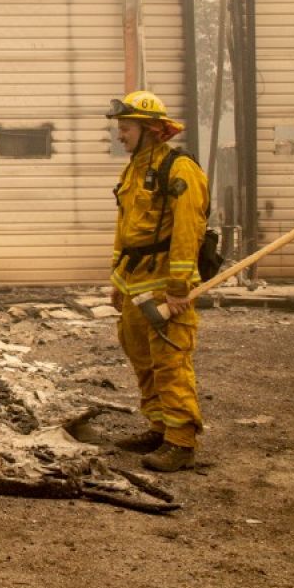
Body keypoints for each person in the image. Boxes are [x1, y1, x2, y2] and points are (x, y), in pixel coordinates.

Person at [106, 90, 209, 472]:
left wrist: (179, 287)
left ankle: (181, 442)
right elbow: (125, 229)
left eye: (126, 127)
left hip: (165, 283)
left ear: (151, 129)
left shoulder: (180, 169)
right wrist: (117, 279)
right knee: (141, 357)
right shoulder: (133, 170)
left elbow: (189, 229)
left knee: (170, 361)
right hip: (135, 282)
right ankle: (159, 426)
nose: (120, 135)